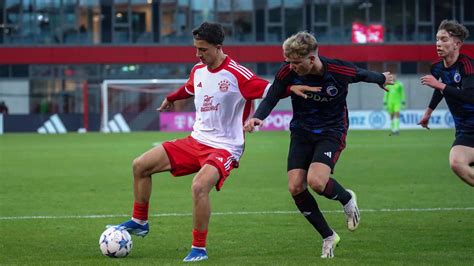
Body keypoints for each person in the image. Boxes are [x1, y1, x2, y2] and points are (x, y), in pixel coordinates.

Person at [110, 21, 299, 262]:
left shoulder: (238, 74)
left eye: (203, 50)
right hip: (195, 140)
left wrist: (295, 87)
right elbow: (190, 89)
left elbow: (272, 90)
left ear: (218, 47)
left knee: (199, 187)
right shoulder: (198, 70)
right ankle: (139, 222)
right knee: (140, 165)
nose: (198, 54)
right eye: (196, 49)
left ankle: (199, 248)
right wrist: (170, 97)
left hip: (225, 147)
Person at [244, 31, 393, 258]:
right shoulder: (287, 71)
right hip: (301, 132)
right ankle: (328, 236)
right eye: (288, 62)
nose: (291, 67)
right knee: (295, 187)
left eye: (296, 63)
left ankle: (346, 199)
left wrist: (381, 79)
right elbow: (272, 96)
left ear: (312, 59)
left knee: (316, 181)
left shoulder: (338, 70)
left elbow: (361, 74)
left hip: (332, 131)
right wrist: (259, 117)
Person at [418, 20, 474, 187]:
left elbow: (470, 96)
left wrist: (439, 84)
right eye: (437, 39)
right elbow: (442, 88)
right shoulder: (436, 68)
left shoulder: (467, 65)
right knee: (456, 163)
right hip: (465, 131)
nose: (438, 44)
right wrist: (428, 112)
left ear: (457, 44)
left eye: (444, 39)